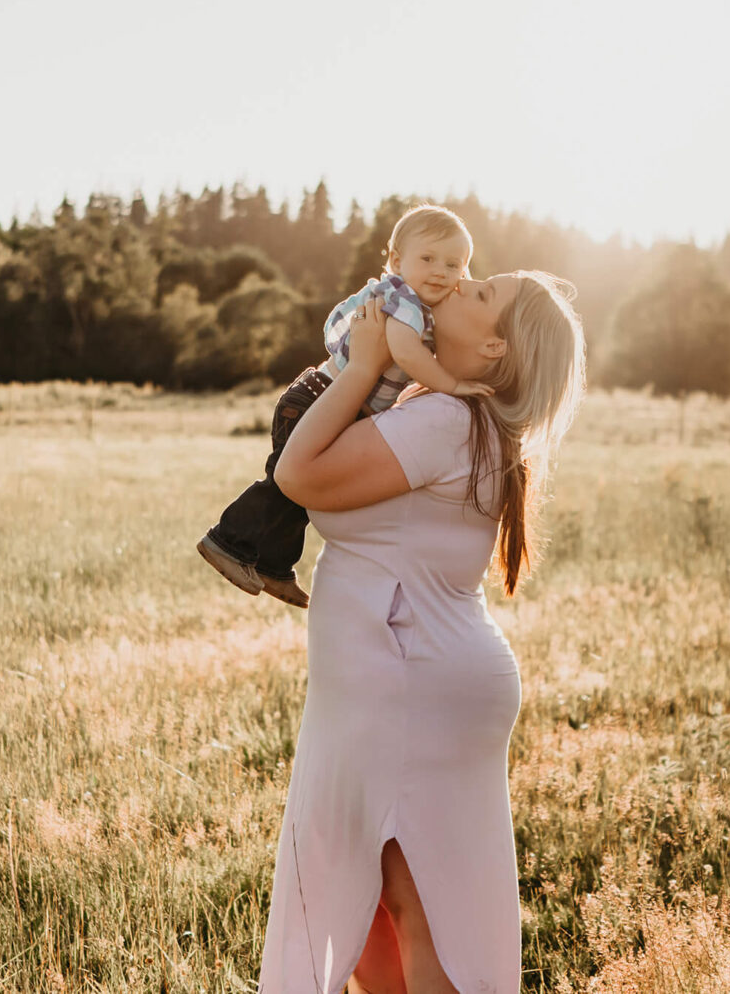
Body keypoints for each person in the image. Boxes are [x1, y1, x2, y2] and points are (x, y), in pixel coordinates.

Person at [254, 269, 587, 994]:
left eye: (479, 293)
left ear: (495, 345)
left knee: (411, 909)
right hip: (413, 676)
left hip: (409, 683)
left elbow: (298, 471)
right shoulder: (455, 415)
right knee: (379, 913)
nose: (459, 284)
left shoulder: (447, 421)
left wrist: (368, 361)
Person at [197, 205, 493, 609]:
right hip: (320, 398)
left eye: (454, 264)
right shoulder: (402, 301)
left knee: (302, 496)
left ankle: (273, 566)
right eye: (427, 259)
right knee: (285, 487)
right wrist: (453, 385)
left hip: (325, 397)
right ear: (395, 260)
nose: (441, 271)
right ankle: (228, 541)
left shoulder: (420, 306)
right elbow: (406, 353)